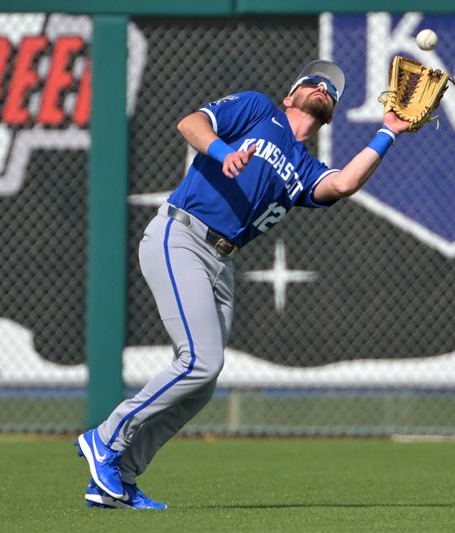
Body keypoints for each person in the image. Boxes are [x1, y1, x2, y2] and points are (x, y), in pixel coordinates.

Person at [75, 59, 412, 509]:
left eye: (332, 90)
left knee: (202, 380)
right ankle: (105, 439)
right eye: (315, 82)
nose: (324, 88)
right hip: (183, 235)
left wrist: (387, 130)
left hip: (222, 261)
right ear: (290, 95)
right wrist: (221, 152)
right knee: (199, 361)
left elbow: (345, 183)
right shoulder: (257, 110)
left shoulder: (304, 168)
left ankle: (118, 476)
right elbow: (190, 123)